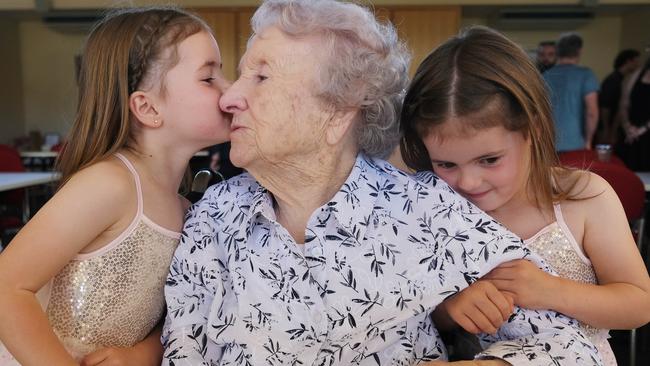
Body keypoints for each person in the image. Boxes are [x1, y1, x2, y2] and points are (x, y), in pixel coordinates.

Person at [162, 1, 603, 365]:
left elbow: (567, 349)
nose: (230, 96)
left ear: (337, 113)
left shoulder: (424, 210)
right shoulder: (216, 215)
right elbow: (184, 352)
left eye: (260, 76)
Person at [399, 26, 650, 366]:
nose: (469, 182)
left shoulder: (584, 198)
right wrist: (449, 308)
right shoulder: (436, 207)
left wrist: (549, 290)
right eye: (446, 163)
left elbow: (639, 303)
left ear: (532, 129)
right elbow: (414, 311)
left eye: (489, 159)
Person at [0, 6, 231, 365]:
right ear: (148, 108)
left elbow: (178, 310)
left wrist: (142, 353)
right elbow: (6, 286)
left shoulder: (186, 208)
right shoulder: (111, 184)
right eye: (209, 78)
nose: (230, 91)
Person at [544, 33, 599, 151]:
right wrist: (589, 141)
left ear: (557, 52)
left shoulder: (545, 76)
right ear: (579, 51)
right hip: (576, 144)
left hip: (548, 143)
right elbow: (592, 112)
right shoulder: (586, 75)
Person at [598, 49, 640, 145]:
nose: (638, 65)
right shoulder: (614, 80)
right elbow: (605, 107)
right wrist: (607, 130)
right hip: (607, 128)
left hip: (612, 127)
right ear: (628, 62)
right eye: (636, 61)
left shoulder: (623, 80)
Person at [618, 56, 650, 171]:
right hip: (630, 133)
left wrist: (641, 130)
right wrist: (627, 126)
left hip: (645, 132)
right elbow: (624, 102)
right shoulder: (637, 74)